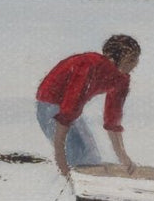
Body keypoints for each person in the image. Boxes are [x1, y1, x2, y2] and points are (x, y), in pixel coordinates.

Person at [36, 35, 140, 178]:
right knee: (81, 156)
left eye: (136, 58)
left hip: (69, 109)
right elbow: (71, 105)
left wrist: (123, 157)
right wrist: (62, 165)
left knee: (91, 156)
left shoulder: (122, 79)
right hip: (49, 103)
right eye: (133, 59)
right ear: (117, 58)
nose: (136, 63)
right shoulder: (90, 64)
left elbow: (112, 119)